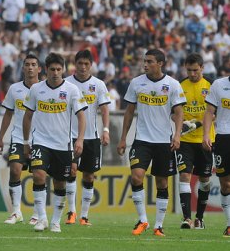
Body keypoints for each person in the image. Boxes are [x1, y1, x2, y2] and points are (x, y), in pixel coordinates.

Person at [117, 49, 186, 237]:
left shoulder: (172, 84)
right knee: (137, 177)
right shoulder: (136, 83)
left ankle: (158, 225)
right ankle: (143, 220)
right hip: (142, 141)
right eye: (144, 61)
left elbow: (179, 112)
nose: (145, 64)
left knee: (162, 183)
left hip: (164, 141)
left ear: (160, 63)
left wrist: (177, 135)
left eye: (149, 61)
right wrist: (123, 138)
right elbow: (129, 112)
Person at [23, 52, 87, 233]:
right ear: (46, 70)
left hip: (63, 145)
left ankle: (56, 221)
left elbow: (82, 117)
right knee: (38, 176)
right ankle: (42, 218)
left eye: (59, 69)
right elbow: (27, 116)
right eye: (52, 69)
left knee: (60, 184)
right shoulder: (36, 89)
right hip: (41, 142)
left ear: (64, 70)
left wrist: (80, 139)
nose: (56, 73)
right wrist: (27, 142)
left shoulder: (72, 90)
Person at [64, 50, 110, 226]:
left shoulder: (98, 85)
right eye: (80, 63)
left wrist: (105, 129)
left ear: (91, 65)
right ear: (74, 64)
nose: (83, 67)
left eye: (86, 64)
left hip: (92, 137)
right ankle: (71, 212)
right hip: (70, 136)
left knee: (89, 176)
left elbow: (105, 109)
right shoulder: (66, 83)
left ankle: (84, 216)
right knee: (72, 171)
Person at [0, 54, 41, 225]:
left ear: (39, 69)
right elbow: (8, 114)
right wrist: (0, 137)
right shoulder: (15, 89)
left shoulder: (45, 89)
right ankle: (16, 212)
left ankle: (37, 214)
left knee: (38, 175)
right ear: (22, 68)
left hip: (40, 138)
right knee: (15, 170)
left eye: (33, 64)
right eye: (27, 64)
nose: (30, 67)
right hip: (18, 137)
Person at [175, 53, 214, 229]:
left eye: (195, 70)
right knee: (184, 175)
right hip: (185, 140)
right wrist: (182, 124)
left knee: (205, 180)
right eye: (189, 70)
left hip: (205, 139)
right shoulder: (180, 86)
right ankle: (186, 219)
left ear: (202, 68)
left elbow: (215, 112)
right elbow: (173, 111)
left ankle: (199, 218)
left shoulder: (211, 86)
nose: (192, 74)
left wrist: (197, 123)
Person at [202, 75, 230, 237]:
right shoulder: (219, 85)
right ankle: (229, 224)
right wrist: (206, 134)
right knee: (225, 184)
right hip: (223, 139)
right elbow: (209, 112)